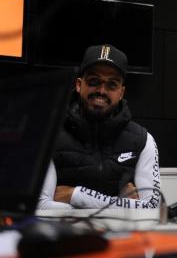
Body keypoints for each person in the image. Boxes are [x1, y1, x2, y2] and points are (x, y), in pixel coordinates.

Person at [38, 44, 160, 209]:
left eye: (112, 84)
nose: (102, 91)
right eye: (94, 81)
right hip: (66, 235)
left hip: (122, 235)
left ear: (121, 92)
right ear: (79, 85)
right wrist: (124, 204)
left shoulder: (143, 140)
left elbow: (152, 208)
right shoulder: (49, 135)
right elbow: (41, 206)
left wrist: (75, 195)